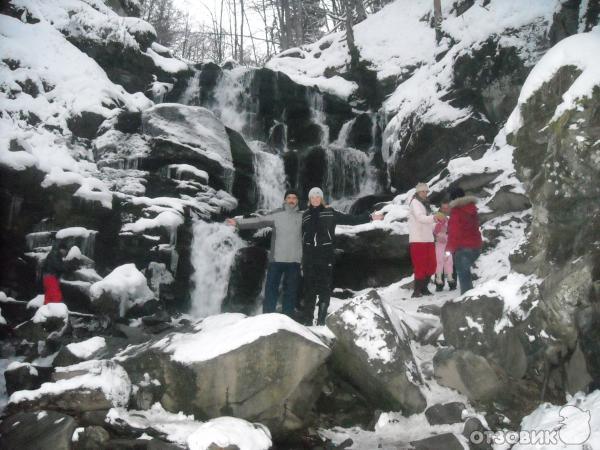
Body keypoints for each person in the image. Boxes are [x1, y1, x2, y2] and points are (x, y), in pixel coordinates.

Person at [301, 187, 383, 325]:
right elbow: (302, 238)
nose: (315, 199)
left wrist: (370, 217)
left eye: (318, 197)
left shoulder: (330, 212)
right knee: (309, 289)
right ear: (309, 199)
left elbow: (350, 219)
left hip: (325, 255)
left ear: (321, 199)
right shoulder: (306, 215)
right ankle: (308, 320)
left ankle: (321, 320)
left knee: (324, 288)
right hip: (309, 257)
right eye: (312, 197)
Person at [226, 189, 302, 316]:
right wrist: (238, 223)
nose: (291, 200)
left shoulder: (302, 216)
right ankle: (267, 319)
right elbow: (259, 221)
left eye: (294, 198)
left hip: (293, 261)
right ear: (285, 200)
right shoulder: (277, 214)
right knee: (271, 291)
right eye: (289, 198)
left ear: (297, 201)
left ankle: (287, 320)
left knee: (290, 292)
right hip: (276, 259)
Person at [408, 182, 443, 298]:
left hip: (428, 239)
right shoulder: (415, 202)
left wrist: (437, 226)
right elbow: (420, 218)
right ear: (418, 192)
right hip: (418, 239)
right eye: (423, 191)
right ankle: (417, 291)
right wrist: (434, 218)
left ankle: (424, 288)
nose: (425, 193)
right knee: (420, 266)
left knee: (432, 265)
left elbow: (428, 222)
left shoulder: (425, 204)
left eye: (426, 191)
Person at [446, 187, 483, 295]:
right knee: (466, 274)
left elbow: (454, 233)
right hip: (476, 246)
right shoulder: (472, 208)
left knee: (464, 277)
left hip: (463, 249)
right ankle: (470, 299)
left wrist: (449, 249)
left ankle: (467, 303)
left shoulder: (457, 211)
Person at [433, 199, 456, 291]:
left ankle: (451, 280)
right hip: (439, 243)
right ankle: (439, 281)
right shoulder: (437, 217)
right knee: (439, 261)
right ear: (440, 208)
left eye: (447, 208)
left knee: (449, 260)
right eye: (443, 208)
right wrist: (440, 224)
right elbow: (434, 230)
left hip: (448, 243)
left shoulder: (451, 217)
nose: (445, 209)